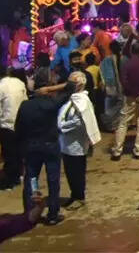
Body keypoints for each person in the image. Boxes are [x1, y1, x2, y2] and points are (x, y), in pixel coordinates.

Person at [14, 68, 64, 225]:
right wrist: (54, 87)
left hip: (32, 146)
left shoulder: (25, 105)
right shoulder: (52, 104)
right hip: (50, 145)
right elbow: (70, 86)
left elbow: (18, 129)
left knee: (32, 179)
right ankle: (53, 213)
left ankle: (31, 213)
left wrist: (22, 148)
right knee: (53, 180)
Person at [56, 71, 99, 210]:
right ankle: (74, 195)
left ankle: (79, 197)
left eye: (71, 82)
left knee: (77, 172)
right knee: (69, 172)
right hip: (66, 143)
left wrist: (62, 126)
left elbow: (81, 121)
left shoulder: (83, 102)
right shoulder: (70, 98)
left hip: (76, 144)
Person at [111, 40, 139, 161]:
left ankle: (117, 151)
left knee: (123, 123)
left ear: (131, 51)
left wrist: (136, 94)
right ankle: (138, 151)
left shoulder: (127, 64)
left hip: (130, 97)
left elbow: (124, 82)